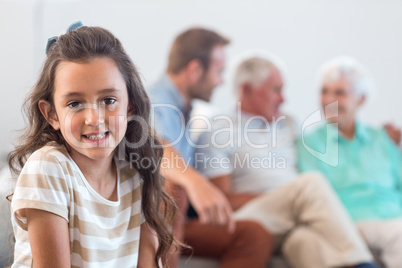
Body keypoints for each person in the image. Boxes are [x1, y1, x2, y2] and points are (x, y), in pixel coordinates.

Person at [7, 22, 175, 268]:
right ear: (52, 114)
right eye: (75, 103)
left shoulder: (136, 172)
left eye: (108, 100)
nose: (94, 119)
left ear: (131, 107)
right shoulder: (48, 168)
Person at [195, 53, 378, 268]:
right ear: (247, 90)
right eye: (276, 90)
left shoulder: (288, 123)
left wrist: (381, 135)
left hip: (294, 219)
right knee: (310, 184)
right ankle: (367, 263)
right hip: (251, 217)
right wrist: (283, 198)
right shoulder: (218, 131)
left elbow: (329, 142)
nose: (284, 99)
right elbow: (220, 200)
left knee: (302, 242)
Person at [148, 28, 272, 268]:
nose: (222, 81)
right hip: (155, 211)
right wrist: (195, 182)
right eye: (219, 71)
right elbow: (155, 146)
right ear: (195, 70)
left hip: (183, 216)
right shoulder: (154, 101)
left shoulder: (185, 109)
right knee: (175, 189)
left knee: (254, 235)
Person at [298, 56, 402, 268]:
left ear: (361, 99)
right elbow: (313, 199)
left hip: (394, 217)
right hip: (351, 223)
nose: (329, 100)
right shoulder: (310, 144)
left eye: (340, 93)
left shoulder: (382, 139)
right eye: (324, 91)